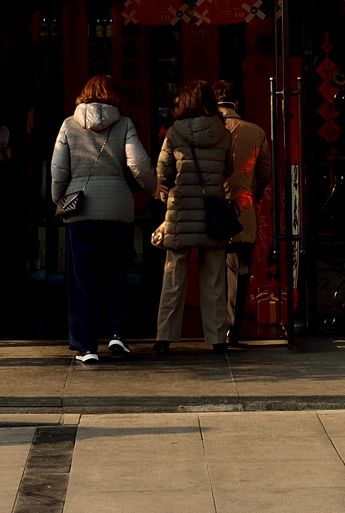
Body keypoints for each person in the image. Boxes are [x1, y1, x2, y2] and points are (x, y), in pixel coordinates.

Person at [50, 75, 153, 365]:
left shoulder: (69, 124)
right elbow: (138, 163)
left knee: (82, 279)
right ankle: (117, 333)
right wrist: (153, 188)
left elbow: (59, 168)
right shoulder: (124, 124)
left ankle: (86, 346)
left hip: (81, 210)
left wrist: (58, 198)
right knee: (116, 273)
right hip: (118, 208)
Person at [154, 80, 235, 354]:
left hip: (181, 211)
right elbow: (227, 169)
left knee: (173, 275)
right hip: (213, 213)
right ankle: (217, 338)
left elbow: (163, 173)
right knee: (214, 278)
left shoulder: (175, 132)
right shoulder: (223, 133)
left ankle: (164, 337)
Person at [212, 80, 274, 346]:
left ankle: (212, 326)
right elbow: (265, 172)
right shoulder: (255, 132)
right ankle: (233, 327)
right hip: (243, 207)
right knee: (240, 268)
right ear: (236, 104)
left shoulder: (208, 129)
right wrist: (251, 194)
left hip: (212, 209)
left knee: (212, 268)